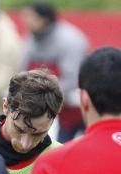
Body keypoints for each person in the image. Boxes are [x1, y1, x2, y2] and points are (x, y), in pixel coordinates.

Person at [21, 2, 88, 141]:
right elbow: (22, 72)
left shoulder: (71, 40)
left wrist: (41, 94)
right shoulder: (30, 39)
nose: (25, 21)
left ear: (44, 19)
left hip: (77, 110)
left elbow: (72, 79)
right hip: (48, 109)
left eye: (30, 17)